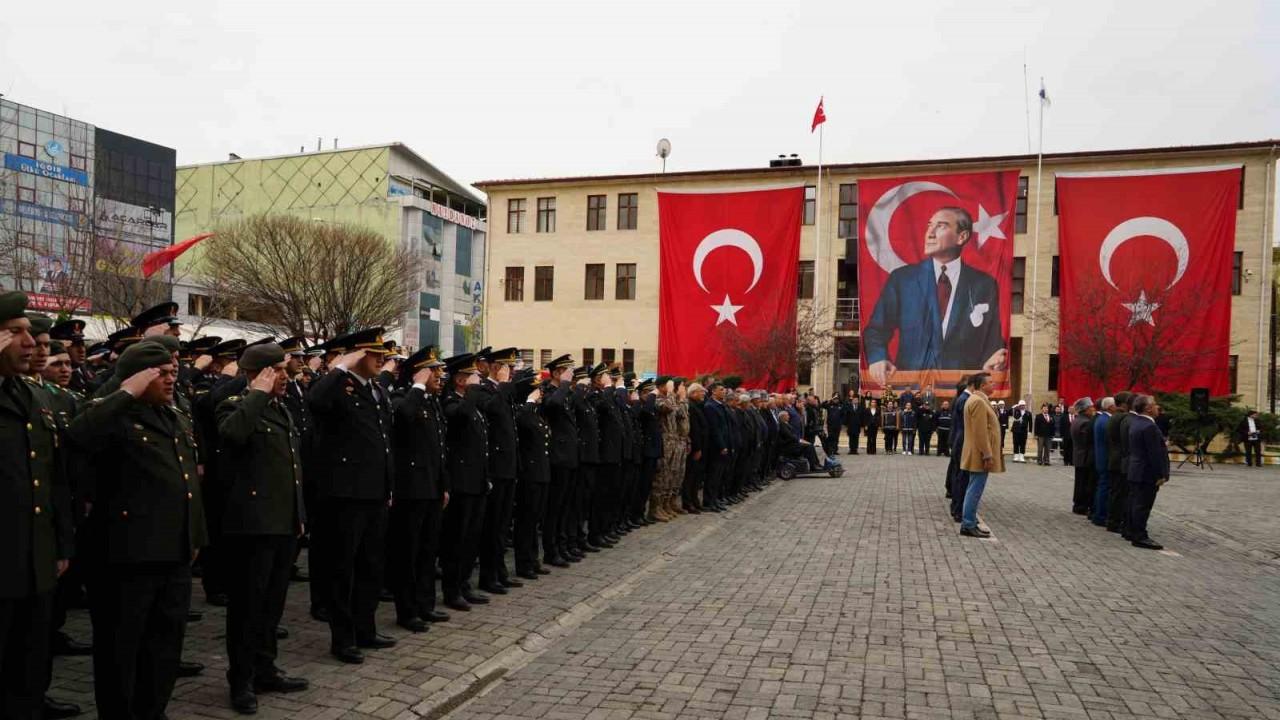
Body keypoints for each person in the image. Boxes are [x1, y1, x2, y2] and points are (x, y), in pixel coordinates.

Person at [67, 341, 207, 720]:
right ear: (136, 378)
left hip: (173, 553)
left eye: (172, 372)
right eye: (159, 373)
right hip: (126, 556)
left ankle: (152, 711)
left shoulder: (173, 415)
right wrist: (124, 391)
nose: (169, 378)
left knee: (164, 647)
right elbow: (78, 434)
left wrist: (195, 537)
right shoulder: (113, 415)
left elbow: (187, 483)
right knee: (120, 649)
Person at [216, 342, 309, 713]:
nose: (287, 378)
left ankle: (265, 668)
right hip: (252, 527)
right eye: (280, 372)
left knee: (272, 606)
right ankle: (240, 680)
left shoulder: (280, 410)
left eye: (286, 372)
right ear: (259, 373)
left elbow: (291, 470)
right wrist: (256, 393)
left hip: (282, 524)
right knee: (247, 608)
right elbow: (233, 435)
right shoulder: (236, 405)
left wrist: (298, 515)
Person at [0, 293, 74, 720]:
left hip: (34, 561)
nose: (31, 343)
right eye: (17, 332)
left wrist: (61, 543)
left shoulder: (30, 396)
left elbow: (51, 478)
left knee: (27, 673)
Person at [306, 328, 396, 664]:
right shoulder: (339, 388)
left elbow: (384, 444)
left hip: (374, 492)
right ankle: (343, 639)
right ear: (358, 356)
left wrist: (389, 486)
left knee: (371, 566)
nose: (381, 360)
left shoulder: (375, 391)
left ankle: (365, 629)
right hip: (345, 494)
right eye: (374, 355)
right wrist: (341, 366)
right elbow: (314, 401)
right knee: (343, 568)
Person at [863, 207, 1006, 385]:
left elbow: (993, 338)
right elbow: (876, 330)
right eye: (929, 226)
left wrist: (993, 359)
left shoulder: (984, 284)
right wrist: (878, 358)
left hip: (961, 390)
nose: (929, 233)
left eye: (941, 226)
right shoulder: (902, 279)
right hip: (911, 388)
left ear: (961, 237)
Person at [387, 347, 451, 631]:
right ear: (417, 373)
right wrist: (416, 385)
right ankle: (407, 610)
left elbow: (438, 450)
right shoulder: (403, 397)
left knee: (428, 551)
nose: (439, 375)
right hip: (410, 490)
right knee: (407, 553)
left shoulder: (432, 401)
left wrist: (444, 485)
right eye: (432, 370)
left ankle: (425, 604)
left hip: (432, 488)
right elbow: (402, 418)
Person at [439, 353, 492, 611]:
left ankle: (464, 584)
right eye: (471, 376)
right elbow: (459, 417)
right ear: (460, 380)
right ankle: (452, 589)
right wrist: (471, 391)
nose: (478, 380)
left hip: (477, 481)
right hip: (461, 483)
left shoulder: (471, 405)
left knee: (472, 538)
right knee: (456, 539)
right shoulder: (450, 402)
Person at [541, 355, 579, 567]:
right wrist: (564, 384)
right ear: (556, 373)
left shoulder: (565, 393)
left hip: (570, 456)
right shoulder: (549, 391)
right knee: (554, 507)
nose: (569, 376)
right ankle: (551, 550)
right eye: (565, 372)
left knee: (565, 505)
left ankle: (562, 546)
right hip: (558, 457)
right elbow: (552, 405)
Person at [512, 370, 550, 579]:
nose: (540, 393)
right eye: (536, 389)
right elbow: (521, 421)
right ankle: (523, 563)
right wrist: (529, 401)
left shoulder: (535, 413)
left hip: (541, 472)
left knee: (535, 520)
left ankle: (533, 559)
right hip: (529, 474)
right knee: (526, 521)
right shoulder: (523, 411)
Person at [959, 372, 1002, 538]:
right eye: (991, 382)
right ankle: (968, 523)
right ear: (982, 385)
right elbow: (980, 432)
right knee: (975, 489)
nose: (994, 385)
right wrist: (987, 454)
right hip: (979, 453)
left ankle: (971, 521)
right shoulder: (977, 401)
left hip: (978, 451)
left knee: (974, 487)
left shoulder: (979, 400)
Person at [1126, 395, 1169, 550]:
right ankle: (1139, 536)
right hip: (1146, 472)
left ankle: (1131, 530)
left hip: (1135, 469)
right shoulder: (1149, 426)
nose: (1158, 407)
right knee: (1142, 505)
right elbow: (1154, 454)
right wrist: (1160, 475)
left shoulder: (1136, 422)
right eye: (1155, 405)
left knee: (1134, 503)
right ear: (1148, 408)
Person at [1106, 392, 1134, 537]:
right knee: (1120, 493)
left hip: (1114, 458)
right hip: (1120, 459)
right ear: (1124, 404)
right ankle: (1116, 521)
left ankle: (1113, 520)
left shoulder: (1114, 417)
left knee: (1115, 492)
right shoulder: (1124, 418)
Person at [701, 381, 732, 513]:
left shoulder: (721, 405)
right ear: (713, 391)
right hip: (715, 448)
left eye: (724, 389)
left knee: (719, 476)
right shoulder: (710, 406)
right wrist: (722, 446)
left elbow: (726, 427)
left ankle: (715, 499)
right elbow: (715, 429)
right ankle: (708, 502)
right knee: (712, 475)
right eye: (721, 389)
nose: (724, 392)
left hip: (724, 444)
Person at [947, 379, 970, 520]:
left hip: (956, 439)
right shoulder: (963, 400)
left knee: (956, 473)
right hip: (960, 441)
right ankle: (957, 508)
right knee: (960, 476)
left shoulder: (958, 399)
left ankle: (955, 503)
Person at [1069, 398, 1097, 517]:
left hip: (1079, 456)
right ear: (1085, 410)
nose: (1093, 410)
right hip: (1084, 456)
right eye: (1091, 408)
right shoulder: (1085, 422)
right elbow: (1088, 441)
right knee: (1084, 484)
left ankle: (1078, 504)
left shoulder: (1077, 420)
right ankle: (1081, 506)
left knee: (1080, 483)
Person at [1091, 397, 1115, 527]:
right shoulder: (1106, 420)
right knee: (1104, 487)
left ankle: (1098, 512)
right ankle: (1100, 515)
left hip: (1101, 457)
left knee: (1102, 486)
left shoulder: (1102, 419)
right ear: (1110, 407)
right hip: (1105, 458)